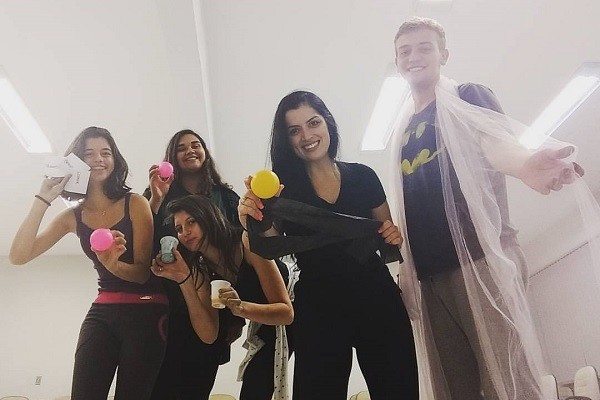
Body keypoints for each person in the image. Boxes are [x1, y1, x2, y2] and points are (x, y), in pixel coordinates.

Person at [390, 17, 584, 400]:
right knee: (454, 389)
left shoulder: (467, 94)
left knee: (509, 383)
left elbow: (495, 143)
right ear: (397, 62)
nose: (414, 57)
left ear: (444, 54)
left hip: (479, 261)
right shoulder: (403, 129)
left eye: (425, 47)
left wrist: (524, 164)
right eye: (404, 51)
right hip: (430, 278)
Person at [238, 91, 419, 400]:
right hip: (319, 305)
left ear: (328, 123)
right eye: (294, 130)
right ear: (286, 139)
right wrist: (253, 214)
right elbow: (269, 244)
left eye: (313, 123)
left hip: (376, 296)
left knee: (398, 391)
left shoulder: (363, 176)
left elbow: (387, 236)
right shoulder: (281, 190)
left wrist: (393, 236)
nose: (307, 136)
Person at [9, 127, 167, 400]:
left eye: (106, 153)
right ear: (76, 162)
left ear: (115, 160)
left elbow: (143, 273)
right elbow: (18, 256)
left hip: (146, 310)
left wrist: (112, 264)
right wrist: (43, 199)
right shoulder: (73, 217)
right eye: (88, 154)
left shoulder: (136, 203)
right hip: (103, 313)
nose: (98, 159)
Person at [151, 195, 294, 399]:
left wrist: (240, 308)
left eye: (191, 222)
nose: (185, 232)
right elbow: (209, 334)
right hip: (265, 322)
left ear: (208, 217)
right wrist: (184, 279)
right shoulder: (200, 267)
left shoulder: (246, 243)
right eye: (179, 228)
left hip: (300, 306)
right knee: (255, 385)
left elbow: (286, 313)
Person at [144, 129, 246, 400]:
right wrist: (155, 198)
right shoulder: (157, 195)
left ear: (205, 152)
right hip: (166, 305)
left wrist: (236, 318)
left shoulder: (227, 198)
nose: (190, 150)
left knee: (198, 383)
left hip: (215, 303)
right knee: (158, 386)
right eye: (181, 147)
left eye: (196, 145)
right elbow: (141, 240)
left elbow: (238, 257)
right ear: (172, 157)